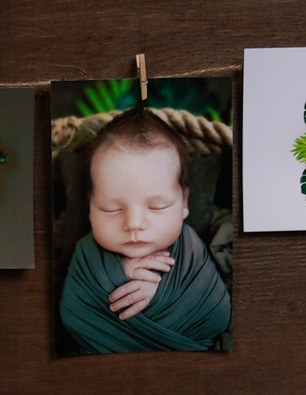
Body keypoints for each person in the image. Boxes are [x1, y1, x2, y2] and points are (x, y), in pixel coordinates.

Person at [56, 107, 231, 354]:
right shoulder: (85, 251)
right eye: (111, 208)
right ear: (90, 206)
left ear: (184, 203)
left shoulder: (191, 248)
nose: (134, 223)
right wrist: (118, 277)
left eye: (157, 206)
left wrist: (160, 293)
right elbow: (74, 311)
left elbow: (216, 310)